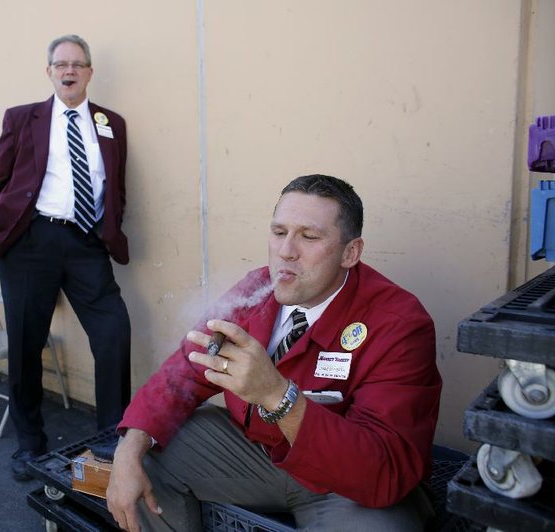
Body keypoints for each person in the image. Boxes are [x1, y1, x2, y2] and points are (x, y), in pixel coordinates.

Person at [107, 174, 442, 531]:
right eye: (279, 232)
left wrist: (276, 396)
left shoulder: (399, 323)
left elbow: (383, 471)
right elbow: (185, 371)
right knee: (149, 457)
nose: (286, 252)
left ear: (350, 253)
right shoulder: (257, 288)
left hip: (344, 485)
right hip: (256, 456)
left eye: (309, 237)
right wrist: (128, 448)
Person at [0, 34, 131, 482]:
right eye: (61, 64)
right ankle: (30, 444)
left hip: (86, 243)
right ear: (49, 71)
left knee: (114, 332)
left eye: (78, 64)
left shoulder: (112, 122)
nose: (69, 71)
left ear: (89, 72)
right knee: (26, 345)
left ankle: (112, 436)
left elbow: (117, 183)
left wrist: (110, 227)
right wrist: (1, 228)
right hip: (31, 243)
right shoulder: (22, 118)